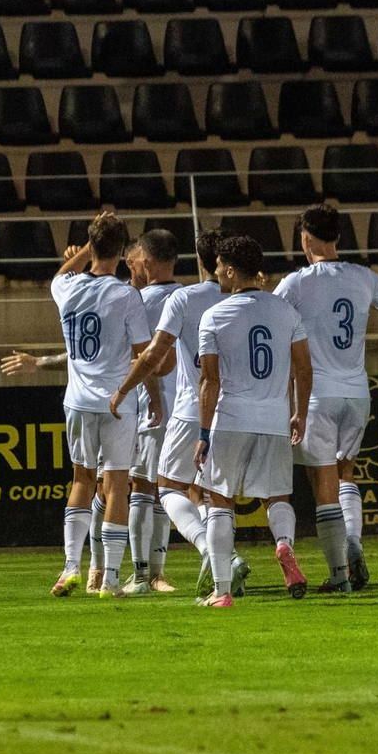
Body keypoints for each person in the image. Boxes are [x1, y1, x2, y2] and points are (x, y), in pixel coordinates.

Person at [111, 228, 252, 599]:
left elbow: (155, 356)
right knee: (207, 493)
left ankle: (145, 575)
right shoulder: (238, 299)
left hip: (172, 407)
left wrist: (125, 385)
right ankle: (224, 558)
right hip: (227, 408)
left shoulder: (150, 299)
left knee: (149, 488)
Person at [275, 205, 378, 592]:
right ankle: (354, 542)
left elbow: (271, 316)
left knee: (322, 481)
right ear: (339, 238)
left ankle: (338, 575)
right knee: (346, 473)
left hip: (317, 395)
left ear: (306, 240)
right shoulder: (365, 277)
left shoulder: (296, 283)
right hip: (357, 392)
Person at [194, 235, 312, 608]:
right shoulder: (285, 312)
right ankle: (283, 545)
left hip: (231, 419)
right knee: (277, 496)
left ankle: (222, 591)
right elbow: (304, 369)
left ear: (230, 269)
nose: (215, 274)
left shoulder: (214, 315)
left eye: (217, 268)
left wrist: (202, 433)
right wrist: (300, 413)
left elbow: (209, 381)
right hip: (274, 418)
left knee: (220, 503)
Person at [49, 213, 150, 600]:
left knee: (81, 480)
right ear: (123, 251)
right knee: (117, 485)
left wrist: (84, 250)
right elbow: (143, 354)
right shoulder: (126, 295)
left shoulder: (67, 288)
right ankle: (109, 578)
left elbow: (59, 275)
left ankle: (71, 566)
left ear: (91, 245)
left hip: (77, 401)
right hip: (115, 402)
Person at [117, 230, 177, 596]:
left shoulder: (136, 302)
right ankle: (157, 573)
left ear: (148, 261)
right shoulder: (192, 296)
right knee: (168, 488)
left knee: (142, 486)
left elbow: (137, 358)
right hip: (189, 406)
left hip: (149, 403)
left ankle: (141, 575)